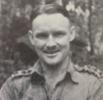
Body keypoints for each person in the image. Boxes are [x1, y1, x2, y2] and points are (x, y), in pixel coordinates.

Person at [0, 4, 103, 100]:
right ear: (31, 38)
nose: (50, 44)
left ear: (71, 34)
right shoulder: (14, 87)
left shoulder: (93, 85)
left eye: (58, 34)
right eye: (42, 36)